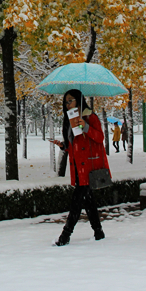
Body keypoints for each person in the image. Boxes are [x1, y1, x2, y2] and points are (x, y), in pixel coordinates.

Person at [51, 89, 109, 246]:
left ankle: (65, 234)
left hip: (89, 167)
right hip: (77, 167)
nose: (68, 104)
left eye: (70, 100)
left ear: (79, 100)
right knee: (88, 200)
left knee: (77, 201)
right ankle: (98, 231)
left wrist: (86, 127)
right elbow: (75, 145)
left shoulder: (90, 117)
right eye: (66, 102)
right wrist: (63, 146)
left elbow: (100, 138)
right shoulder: (70, 120)